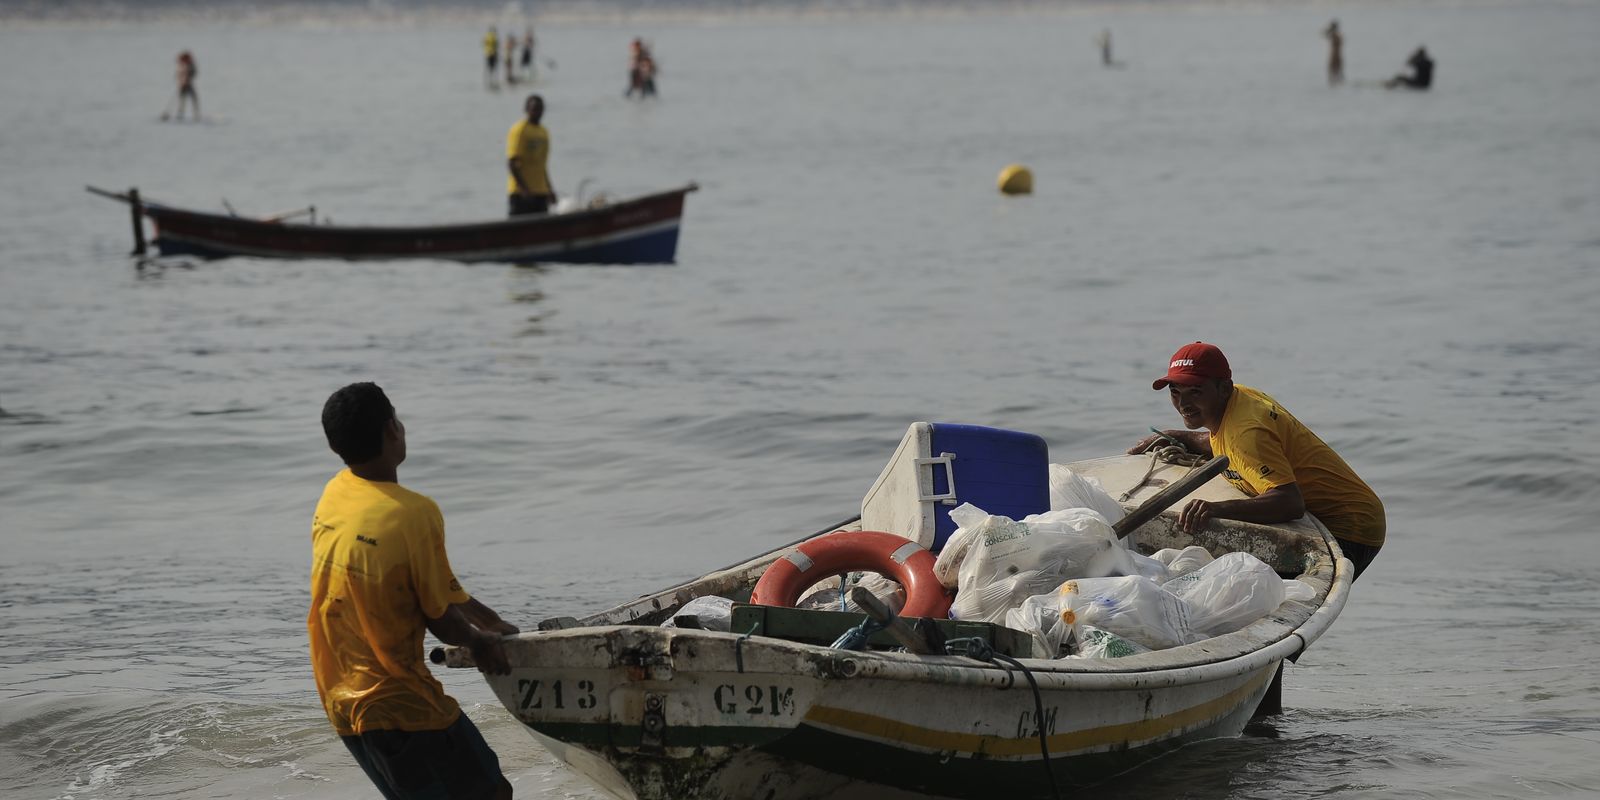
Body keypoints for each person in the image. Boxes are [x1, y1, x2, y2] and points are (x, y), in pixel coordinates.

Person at [309, 382, 519, 799]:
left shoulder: (335, 494)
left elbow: (431, 583)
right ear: (392, 430)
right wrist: (480, 643)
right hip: (399, 703)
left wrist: (488, 619)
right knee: (491, 793)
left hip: (340, 696)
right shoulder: (413, 514)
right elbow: (439, 618)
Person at [1127, 342, 1386, 580]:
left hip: (1350, 528)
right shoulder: (1238, 399)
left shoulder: (1248, 432)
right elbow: (1227, 442)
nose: (1184, 404)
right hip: (1330, 515)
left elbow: (1289, 502)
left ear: (1223, 388)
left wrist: (1216, 509)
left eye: (1195, 392)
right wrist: (1179, 437)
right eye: (1175, 392)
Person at [506, 94, 556, 215]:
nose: (537, 112)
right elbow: (512, 163)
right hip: (521, 194)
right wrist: (524, 190)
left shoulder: (543, 132)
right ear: (527, 110)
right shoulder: (520, 130)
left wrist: (549, 189)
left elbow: (542, 165)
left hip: (540, 192)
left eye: (540, 109)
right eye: (534, 109)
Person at [168, 51, 199, 121]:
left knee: (194, 99)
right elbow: (178, 75)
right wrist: (182, 81)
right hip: (183, 85)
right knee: (182, 100)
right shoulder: (182, 65)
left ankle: (196, 114)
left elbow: (194, 73)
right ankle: (180, 114)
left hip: (189, 84)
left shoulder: (190, 65)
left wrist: (188, 78)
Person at [1323, 20, 1344, 86]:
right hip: (1337, 57)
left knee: (1333, 75)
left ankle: (1335, 86)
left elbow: (1325, 34)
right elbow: (1325, 34)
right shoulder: (1338, 36)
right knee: (1337, 74)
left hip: (1334, 58)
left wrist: (1330, 30)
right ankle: (1338, 85)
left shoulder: (1335, 36)